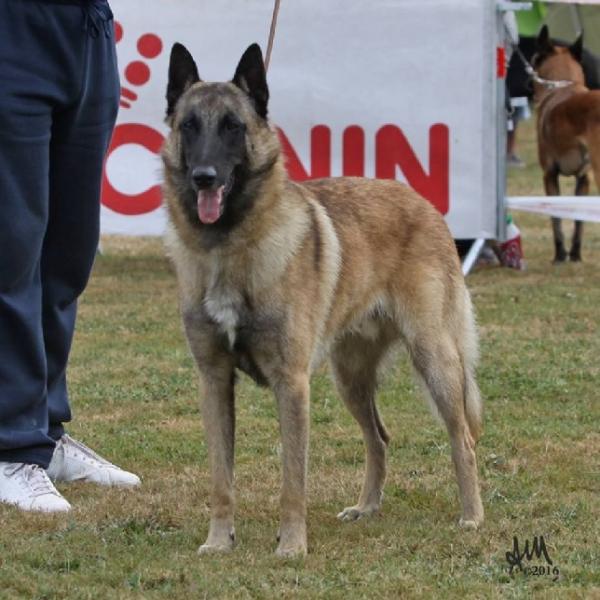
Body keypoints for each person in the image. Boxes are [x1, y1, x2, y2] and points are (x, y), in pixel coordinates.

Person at [0, 0, 140, 513]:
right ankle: (9, 445)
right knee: (11, 250)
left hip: (87, 30)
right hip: (12, 27)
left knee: (69, 252)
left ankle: (44, 431)